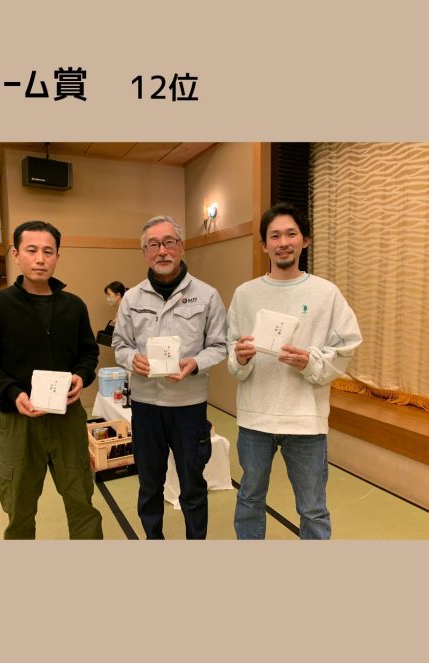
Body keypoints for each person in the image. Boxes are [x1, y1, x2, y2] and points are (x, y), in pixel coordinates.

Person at [227, 202, 362, 540]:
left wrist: (310, 362)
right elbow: (232, 354)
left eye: (291, 234)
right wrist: (240, 358)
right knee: (249, 499)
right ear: (264, 245)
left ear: (305, 240)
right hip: (255, 420)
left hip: (305, 420)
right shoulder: (245, 294)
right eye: (275, 236)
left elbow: (348, 345)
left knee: (313, 508)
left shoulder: (326, 293)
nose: (283, 242)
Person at [0, 220, 103, 540]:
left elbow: (88, 352)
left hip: (68, 418)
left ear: (57, 257)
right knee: (19, 505)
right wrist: (12, 393)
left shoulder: (73, 306)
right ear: (16, 255)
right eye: (31, 250)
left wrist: (81, 376)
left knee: (81, 499)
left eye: (48, 251)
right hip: (19, 420)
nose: (40, 259)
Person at [113, 215, 227, 539]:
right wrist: (132, 360)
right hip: (146, 406)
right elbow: (120, 345)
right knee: (149, 484)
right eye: (153, 245)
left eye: (169, 242)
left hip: (189, 407)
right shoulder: (132, 298)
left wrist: (195, 363)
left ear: (181, 246)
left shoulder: (207, 295)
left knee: (193, 485)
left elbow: (220, 345)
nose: (162, 251)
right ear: (144, 252)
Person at [97, 281, 127, 346]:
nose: (108, 299)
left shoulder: (126, 310)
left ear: (118, 295)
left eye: (109, 295)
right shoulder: (121, 310)